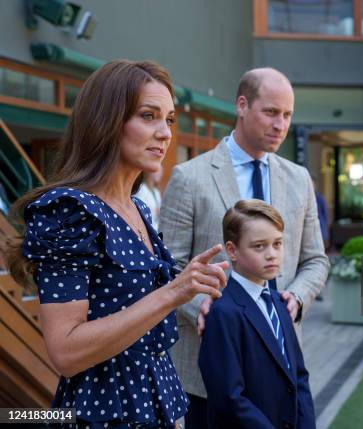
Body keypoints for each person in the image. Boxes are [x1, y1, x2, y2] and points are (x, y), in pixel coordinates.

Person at [6, 60, 228, 429]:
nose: (165, 133)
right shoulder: (69, 210)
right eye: (148, 115)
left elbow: (148, 339)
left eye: (169, 119)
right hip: (105, 416)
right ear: (106, 121)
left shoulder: (137, 208)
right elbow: (66, 350)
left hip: (161, 406)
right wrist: (173, 293)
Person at [159, 67, 329, 429]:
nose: (280, 124)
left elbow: (315, 259)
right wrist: (204, 307)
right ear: (241, 105)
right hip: (207, 375)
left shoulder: (299, 179)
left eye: (287, 115)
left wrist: (296, 299)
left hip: (280, 367)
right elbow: (167, 269)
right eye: (270, 112)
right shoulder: (190, 177)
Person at [199, 199, 315, 429]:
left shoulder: (280, 303)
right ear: (232, 250)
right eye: (259, 246)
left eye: (277, 244)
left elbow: (298, 376)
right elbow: (229, 397)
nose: (272, 254)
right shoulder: (224, 313)